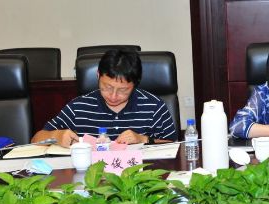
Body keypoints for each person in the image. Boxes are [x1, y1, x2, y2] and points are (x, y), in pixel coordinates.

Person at [31, 49, 177, 147]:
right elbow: (36, 139)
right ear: (98, 75)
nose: (113, 96)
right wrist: (57, 135)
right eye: (107, 87)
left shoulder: (154, 106)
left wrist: (143, 139)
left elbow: (174, 146)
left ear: (135, 85)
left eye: (123, 90)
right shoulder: (78, 107)